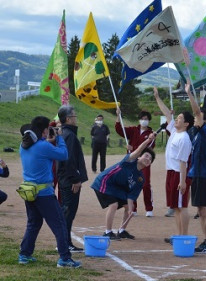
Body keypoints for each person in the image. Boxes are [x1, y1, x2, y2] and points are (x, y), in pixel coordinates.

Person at [19, 116, 81, 267]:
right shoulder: (43, 146)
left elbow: (41, 150)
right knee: (59, 224)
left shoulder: (24, 145)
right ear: (44, 130)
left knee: (33, 223)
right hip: (44, 194)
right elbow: (63, 154)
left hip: (29, 191)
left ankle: (24, 254)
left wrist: (49, 140)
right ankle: (65, 258)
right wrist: (59, 138)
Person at [91, 133, 156, 240]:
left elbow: (131, 195)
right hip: (106, 181)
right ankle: (108, 232)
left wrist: (131, 208)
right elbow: (139, 150)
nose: (148, 159)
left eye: (150, 159)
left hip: (117, 188)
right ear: (139, 156)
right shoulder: (130, 161)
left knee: (128, 208)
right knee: (114, 204)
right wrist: (148, 140)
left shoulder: (140, 179)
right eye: (146, 156)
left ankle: (121, 231)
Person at [153, 86, 193, 241]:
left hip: (179, 174)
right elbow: (166, 114)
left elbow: (184, 162)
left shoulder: (184, 139)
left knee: (182, 207)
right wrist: (157, 97)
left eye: (180, 119)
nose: (176, 120)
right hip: (171, 172)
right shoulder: (176, 132)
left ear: (187, 124)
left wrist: (182, 182)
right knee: (176, 207)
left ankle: (183, 236)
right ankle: (179, 235)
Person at [185, 82, 206, 254]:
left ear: (205, 120)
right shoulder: (197, 133)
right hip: (196, 174)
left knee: (205, 209)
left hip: (203, 175)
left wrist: (189, 93)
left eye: (200, 117)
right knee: (200, 209)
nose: (196, 118)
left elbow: (196, 112)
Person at [57, 105, 88, 252]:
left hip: (66, 179)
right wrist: (75, 179)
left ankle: (65, 242)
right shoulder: (69, 135)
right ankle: (64, 244)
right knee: (68, 212)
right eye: (74, 116)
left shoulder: (65, 133)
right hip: (69, 181)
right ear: (68, 119)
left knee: (68, 212)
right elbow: (68, 160)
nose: (76, 119)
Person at [115, 108, 155, 217]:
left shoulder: (151, 134)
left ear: (149, 120)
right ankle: (133, 208)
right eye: (142, 119)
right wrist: (118, 116)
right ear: (139, 120)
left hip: (144, 163)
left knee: (145, 184)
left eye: (146, 119)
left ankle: (149, 208)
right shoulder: (133, 130)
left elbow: (149, 147)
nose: (144, 121)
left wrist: (133, 148)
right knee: (132, 184)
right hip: (132, 161)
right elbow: (119, 129)